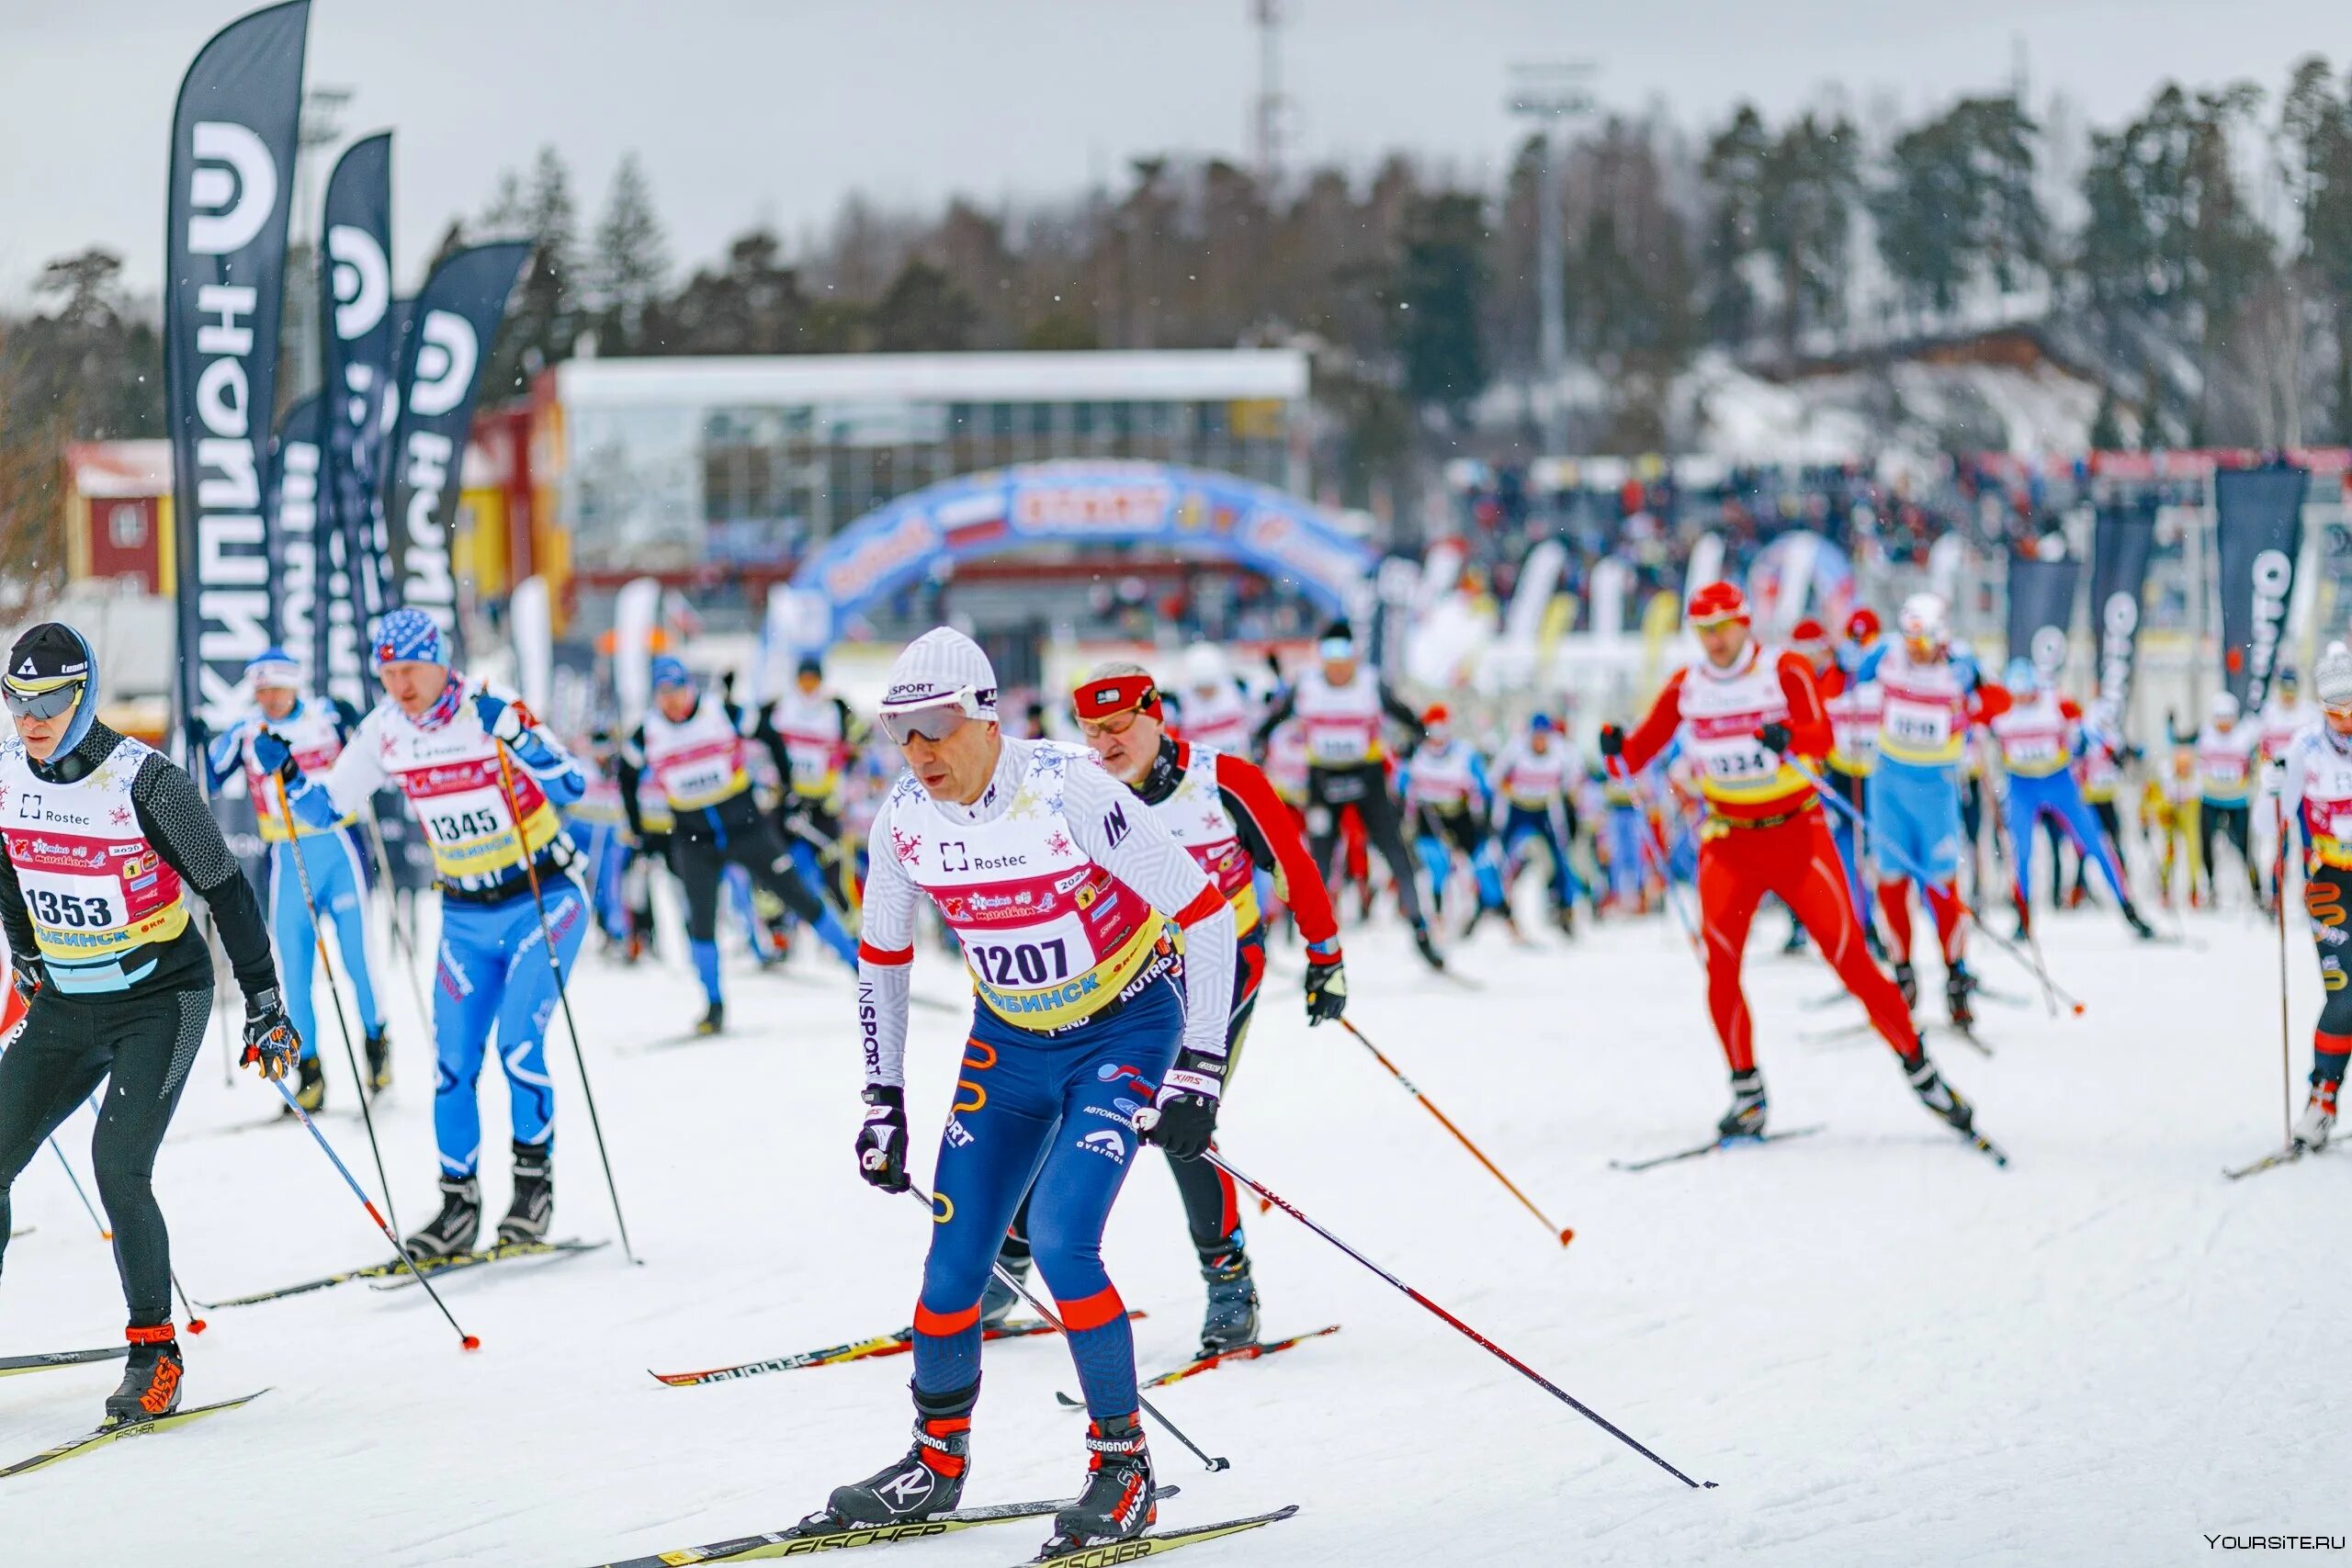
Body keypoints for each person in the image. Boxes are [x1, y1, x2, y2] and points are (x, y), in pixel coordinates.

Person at [819, 629, 1238, 1552]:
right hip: (1009, 1044)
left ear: (982, 714)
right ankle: (935, 1461)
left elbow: (1206, 915)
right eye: (900, 730)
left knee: (1060, 1242)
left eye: (934, 727)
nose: (919, 752)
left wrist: (1199, 1070)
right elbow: (880, 960)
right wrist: (880, 1098)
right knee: (954, 1263)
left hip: (1123, 1029)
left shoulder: (1068, 789)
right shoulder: (903, 821)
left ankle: (1123, 1467)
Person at [983, 660, 1344, 1355]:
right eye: (1092, 731)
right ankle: (1014, 1263)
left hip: (1223, 963)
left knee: (1180, 1111)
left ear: (1157, 714)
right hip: (1126, 968)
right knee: (1062, 1103)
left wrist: (1325, 954)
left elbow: (1290, 861)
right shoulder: (1078, 790)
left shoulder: (1223, 778)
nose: (1107, 744)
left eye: (1120, 727)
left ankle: (1230, 1280)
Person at [0, 622, 299, 1422]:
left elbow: (226, 889)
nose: (33, 719)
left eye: (52, 701)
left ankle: (155, 1351)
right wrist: (28, 954)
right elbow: (7, 871)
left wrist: (265, 999)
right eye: (17, 700)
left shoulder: (146, 781)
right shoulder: (3, 778)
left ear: (85, 694)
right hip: (66, 999)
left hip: (160, 997)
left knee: (117, 1163)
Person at [260, 607, 587, 1259]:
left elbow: (572, 784)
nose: (399, 685)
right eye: (388, 673)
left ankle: (532, 1193)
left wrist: (519, 737)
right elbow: (328, 807)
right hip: (465, 917)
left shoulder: (489, 709)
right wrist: (292, 775)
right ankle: (458, 1204)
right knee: (451, 1066)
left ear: (439, 660)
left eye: (409, 670)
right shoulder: (386, 730)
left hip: (542, 899)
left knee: (519, 1046)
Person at [1602, 583, 1978, 1142]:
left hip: (1797, 838)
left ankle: (1922, 1071)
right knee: (1721, 969)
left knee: (1850, 960)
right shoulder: (1689, 686)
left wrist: (1789, 736)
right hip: (1728, 843)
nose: (1715, 640)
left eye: (1724, 627)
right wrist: (1614, 746)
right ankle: (1747, 1093)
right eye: (1704, 630)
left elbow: (1823, 738)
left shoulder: (1785, 669)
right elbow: (1635, 757)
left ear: (1745, 623)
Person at [617, 657, 856, 1036]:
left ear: (690, 688)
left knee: (799, 896)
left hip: (746, 828)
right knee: (701, 920)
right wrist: (640, 831)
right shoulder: (646, 733)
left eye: (678, 691)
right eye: (664, 694)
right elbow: (626, 776)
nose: (673, 701)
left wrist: (788, 787)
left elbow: (769, 734)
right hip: (694, 839)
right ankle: (713, 1005)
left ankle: (861, 969)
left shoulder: (722, 713)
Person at [204, 647, 389, 1107]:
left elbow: (372, 753)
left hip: (339, 852)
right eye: (261, 689)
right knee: (295, 971)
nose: (269, 697)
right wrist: (198, 737)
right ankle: (310, 1071)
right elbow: (209, 769)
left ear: (295, 684)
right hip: (287, 860)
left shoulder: (329, 715)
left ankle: (375, 1044)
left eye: (277, 687)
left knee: (357, 961)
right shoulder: (248, 732)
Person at [1853, 592, 2010, 1028]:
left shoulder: (1962, 663)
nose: (1916, 650)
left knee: (1942, 888)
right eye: (1911, 641)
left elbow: (2002, 702)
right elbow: (1841, 680)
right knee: (1890, 882)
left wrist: (1977, 697)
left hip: (1937, 791)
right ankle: (1903, 974)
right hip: (1888, 788)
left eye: (1924, 642)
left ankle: (1956, 977)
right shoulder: (1886, 654)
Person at [1250, 620, 1443, 968]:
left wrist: (1420, 741)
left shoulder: (1370, 683)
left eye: (1343, 653)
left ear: (1354, 655)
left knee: (1395, 854)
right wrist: (1259, 746)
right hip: (1323, 782)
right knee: (1319, 867)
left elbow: (1409, 718)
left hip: (1366, 779)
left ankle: (1421, 933)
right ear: (1320, 657)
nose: (1337, 663)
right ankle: (1318, 948)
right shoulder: (1305, 686)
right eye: (1329, 654)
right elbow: (1271, 720)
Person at [1986, 660, 2154, 940]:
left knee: (2095, 844)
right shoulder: (2001, 711)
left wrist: (2114, 750)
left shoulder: (2054, 702)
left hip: (2058, 783)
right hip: (2021, 787)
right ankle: (2023, 917)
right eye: (2017, 695)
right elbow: (1970, 722)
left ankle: (2129, 910)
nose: (2023, 700)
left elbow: (2089, 729)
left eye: (2026, 693)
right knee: (2022, 851)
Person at [2275, 644, 2352, 1151]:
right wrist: (2269, 790)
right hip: (2328, 881)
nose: (2345, 719)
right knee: (2344, 996)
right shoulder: (2305, 748)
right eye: (2335, 708)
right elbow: (2274, 820)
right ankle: (2320, 1103)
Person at [763, 654, 863, 914]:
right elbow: (756, 736)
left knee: (835, 871)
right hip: (787, 801)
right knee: (769, 864)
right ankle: (777, 932)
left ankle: (855, 933)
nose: (808, 686)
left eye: (813, 680)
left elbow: (861, 737)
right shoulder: (781, 707)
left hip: (822, 805)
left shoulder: (836, 709)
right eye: (803, 680)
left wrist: (845, 768)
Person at [1405, 705, 1516, 937]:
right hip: (1431, 817)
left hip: (1460, 815)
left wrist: (1483, 814)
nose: (1436, 736)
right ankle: (1438, 921)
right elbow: (1401, 785)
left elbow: (1484, 788)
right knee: (1437, 866)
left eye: (1441, 729)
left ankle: (1507, 918)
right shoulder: (1417, 754)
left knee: (1483, 867)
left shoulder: (1464, 753)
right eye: (1432, 730)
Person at [1820, 607, 1884, 944]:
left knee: (1882, 858)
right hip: (1844, 778)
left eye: (1868, 639)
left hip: (1878, 778)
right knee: (1847, 856)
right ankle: (1862, 923)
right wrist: (1840, 669)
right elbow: (1822, 699)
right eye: (1854, 639)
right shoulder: (1838, 676)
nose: (1861, 647)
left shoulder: (1888, 670)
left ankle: (1888, 929)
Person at [1492, 713, 1582, 933]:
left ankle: (1563, 906)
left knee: (1558, 857)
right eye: (1536, 736)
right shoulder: (1515, 749)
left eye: (1544, 737)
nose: (1540, 741)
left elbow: (1574, 779)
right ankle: (1500, 905)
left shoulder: (1562, 751)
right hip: (1518, 808)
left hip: (1544, 809)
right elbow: (1494, 777)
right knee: (1502, 856)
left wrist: (1567, 796)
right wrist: (1508, 791)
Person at [2175, 694, 2262, 908]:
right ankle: (2212, 887)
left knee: (2246, 847)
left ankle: (2257, 891)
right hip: (2211, 800)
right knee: (2206, 845)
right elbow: (2178, 741)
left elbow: (2261, 758)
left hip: (2238, 801)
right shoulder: (2204, 735)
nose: (2224, 723)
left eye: (2228, 718)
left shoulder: (2245, 736)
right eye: (2219, 718)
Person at [2068, 699, 2135, 908]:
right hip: (2089, 799)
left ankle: (2123, 884)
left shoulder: (2112, 739)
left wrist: (2117, 755)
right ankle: (2078, 889)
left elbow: (2123, 759)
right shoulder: (2086, 737)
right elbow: (2075, 757)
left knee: (2115, 840)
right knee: (2085, 845)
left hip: (2107, 798)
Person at [1167, 643, 1256, 753]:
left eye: (1211, 686)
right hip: (1202, 768)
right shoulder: (1178, 703)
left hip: (1240, 763)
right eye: (1202, 687)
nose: (1207, 692)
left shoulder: (1239, 689)